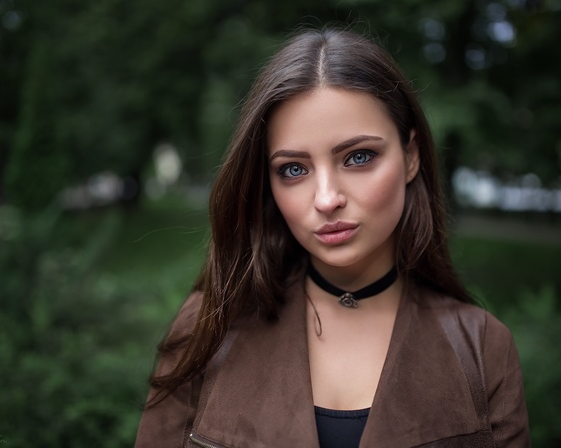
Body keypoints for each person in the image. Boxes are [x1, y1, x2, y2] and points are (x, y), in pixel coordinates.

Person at [135, 27, 530, 448]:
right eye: (293, 169)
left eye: (358, 157)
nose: (326, 199)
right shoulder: (207, 327)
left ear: (411, 156)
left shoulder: (481, 348)